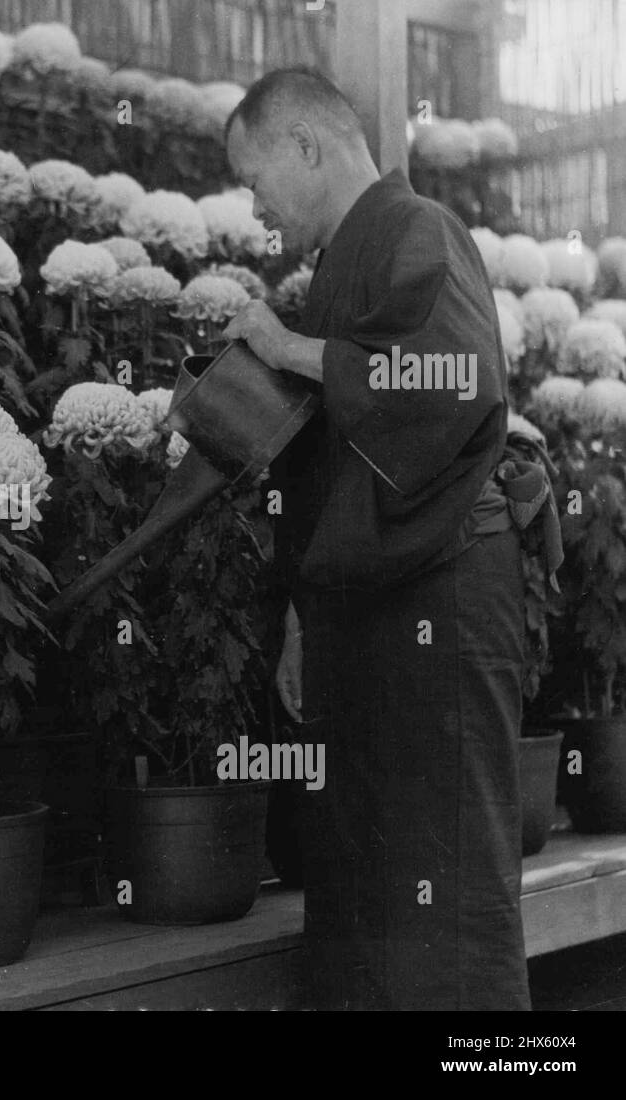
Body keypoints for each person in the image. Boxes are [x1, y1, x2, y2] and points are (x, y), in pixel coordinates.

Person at [220, 67, 556, 1010]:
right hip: (374, 607)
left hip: (442, 599)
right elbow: (331, 459)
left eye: (254, 179)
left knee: (448, 881)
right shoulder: (342, 262)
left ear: (306, 146)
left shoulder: (420, 231)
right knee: (369, 877)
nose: (255, 207)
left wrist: (288, 349)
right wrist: (299, 614)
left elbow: (452, 384)